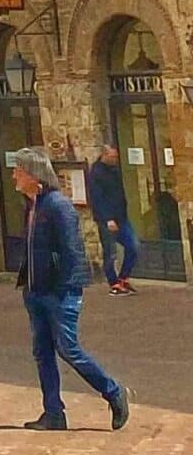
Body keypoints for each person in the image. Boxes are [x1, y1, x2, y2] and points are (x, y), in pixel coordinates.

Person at [13, 148, 130, 432]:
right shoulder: (32, 205)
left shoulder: (57, 206)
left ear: (33, 175)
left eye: (18, 170)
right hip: (35, 291)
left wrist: (65, 288)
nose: (14, 175)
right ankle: (53, 413)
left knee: (69, 349)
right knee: (43, 352)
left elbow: (73, 251)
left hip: (59, 293)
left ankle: (114, 392)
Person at [85, 143, 138, 293]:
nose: (115, 159)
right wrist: (107, 218)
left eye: (116, 156)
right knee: (110, 252)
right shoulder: (96, 173)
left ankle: (123, 278)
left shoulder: (115, 170)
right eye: (112, 156)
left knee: (133, 246)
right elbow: (97, 198)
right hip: (106, 220)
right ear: (104, 155)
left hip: (121, 217)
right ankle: (113, 283)